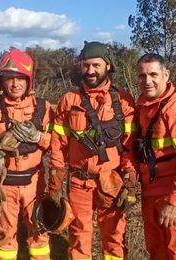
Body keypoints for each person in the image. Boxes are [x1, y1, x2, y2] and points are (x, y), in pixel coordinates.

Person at [49, 41, 137, 259]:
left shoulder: (123, 100)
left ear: (108, 65)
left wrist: (130, 177)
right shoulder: (69, 100)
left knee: (115, 236)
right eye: (86, 65)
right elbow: (58, 144)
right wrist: (56, 180)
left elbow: (129, 145)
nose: (90, 71)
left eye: (96, 65)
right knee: (79, 234)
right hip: (80, 182)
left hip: (112, 181)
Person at [0, 48, 54, 260]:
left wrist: (38, 138)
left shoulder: (43, 108)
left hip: (34, 183)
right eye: (10, 78)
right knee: (5, 236)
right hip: (3, 183)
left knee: (39, 232)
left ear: (29, 81)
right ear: (2, 81)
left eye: (20, 78)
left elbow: (57, 144)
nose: (15, 84)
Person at [135, 53, 176, 260]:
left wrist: (175, 201)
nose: (148, 81)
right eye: (142, 76)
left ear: (166, 74)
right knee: (157, 252)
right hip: (150, 192)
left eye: (153, 74)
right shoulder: (142, 107)